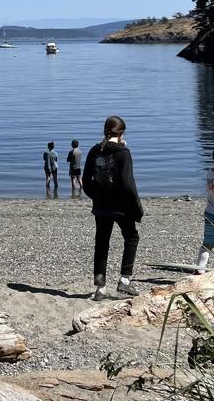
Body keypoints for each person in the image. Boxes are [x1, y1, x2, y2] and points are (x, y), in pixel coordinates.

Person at [82, 116, 143, 301]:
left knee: (101, 244)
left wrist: (97, 196)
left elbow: (86, 181)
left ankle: (100, 288)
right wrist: (137, 206)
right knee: (131, 237)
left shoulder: (95, 150)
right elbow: (128, 184)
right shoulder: (123, 152)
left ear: (105, 131)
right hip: (121, 206)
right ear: (122, 132)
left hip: (101, 207)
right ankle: (124, 280)